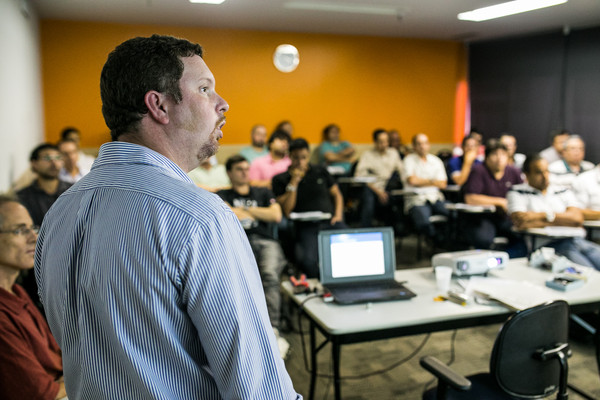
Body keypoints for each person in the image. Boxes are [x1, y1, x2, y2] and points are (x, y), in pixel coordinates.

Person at [35, 34, 300, 399]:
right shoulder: (199, 220)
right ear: (158, 106)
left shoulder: (59, 214)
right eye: (205, 89)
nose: (224, 103)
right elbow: (258, 389)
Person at [217, 155, 289, 357]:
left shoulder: (263, 192)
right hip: (237, 243)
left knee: (269, 275)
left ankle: (273, 329)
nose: (245, 172)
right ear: (229, 173)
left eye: (247, 168)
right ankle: (243, 333)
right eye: (239, 169)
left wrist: (244, 209)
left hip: (266, 242)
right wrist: (258, 212)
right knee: (236, 280)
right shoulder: (222, 194)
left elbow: (275, 215)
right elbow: (226, 215)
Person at [0, 196, 66, 400]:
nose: (34, 238)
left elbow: (58, 356)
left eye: (32, 228)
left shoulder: (17, 292)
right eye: (20, 230)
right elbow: (41, 393)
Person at [507, 154, 600, 270]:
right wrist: (564, 218)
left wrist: (543, 216)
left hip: (577, 240)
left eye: (546, 171)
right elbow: (522, 221)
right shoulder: (517, 192)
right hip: (549, 246)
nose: (545, 176)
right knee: (591, 273)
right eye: (538, 172)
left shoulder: (561, 190)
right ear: (527, 175)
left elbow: (577, 219)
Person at [272, 138, 345, 278]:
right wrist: (294, 182)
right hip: (305, 226)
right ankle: (320, 282)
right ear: (289, 156)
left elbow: (337, 194)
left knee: (349, 248)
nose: (300, 162)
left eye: (304, 157)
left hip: (330, 221)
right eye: (296, 158)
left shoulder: (320, 171)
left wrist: (338, 215)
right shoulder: (280, 179)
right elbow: (287, 210)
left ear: (309, 155)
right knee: (307, 261)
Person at [462, 139, 525, 256]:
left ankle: (507, 258)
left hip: (507, 217)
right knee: (483, 239)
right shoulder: (479, 171)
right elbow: (470, 198)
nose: (499, 158)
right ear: (487, 157)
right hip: (483, 217)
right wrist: (499, 202)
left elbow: (523, 193)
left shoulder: (514, 171)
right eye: (494, 154)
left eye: (503, 155)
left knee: (523, 235)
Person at [402, 133, 449, 241]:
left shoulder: (436, 161)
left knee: (454, 214)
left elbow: (443, 184)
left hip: (435, 198)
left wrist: (421, 181)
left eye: (425, 143)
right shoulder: (408, 160)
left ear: (429, 145)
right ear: (414, 146)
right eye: (419, 144)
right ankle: (433, 242)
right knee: (423, 221)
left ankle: (445, 242)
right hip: (416, 199)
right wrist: (433, 181)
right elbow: (412, 180)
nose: (422, 146)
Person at [354, 129, 403, 227]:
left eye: (386, 141)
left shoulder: (393, 153)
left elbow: (402, 172)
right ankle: (365, 228)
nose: (384, 144)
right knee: (368, 198)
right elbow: (359, 176)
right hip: (373, 187)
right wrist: (379, 192)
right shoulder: (367, 155)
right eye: (381, 142)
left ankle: (396, 229)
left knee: (399, 195)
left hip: (389, 186)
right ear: (375, 142)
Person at [16, 143, 72, 227]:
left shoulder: (75, 190)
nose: (53, 162)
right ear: (34, 163)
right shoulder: (23, 197)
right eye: (47, 158)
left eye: (57, 158)